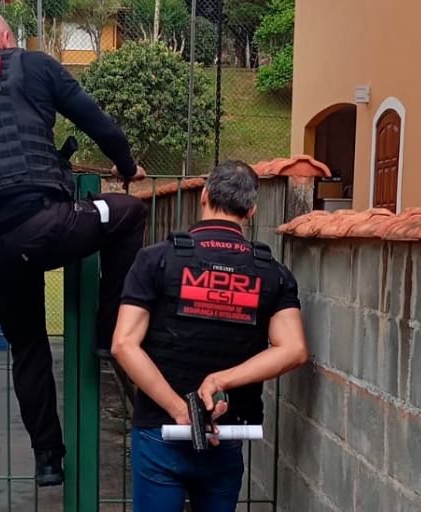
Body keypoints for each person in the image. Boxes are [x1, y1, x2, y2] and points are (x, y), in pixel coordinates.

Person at [0, 9, 147, 487]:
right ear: (6, 37)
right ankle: (107, 332)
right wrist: (126, 165)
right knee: (129, 213)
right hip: (46, 225)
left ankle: (47, 459)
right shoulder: (29, 64)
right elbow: (97, 122)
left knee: (28, 347)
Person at [111, 161, 309, 511]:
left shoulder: (156, 259)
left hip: (161, 432)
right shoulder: (273, 273)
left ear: (203, 196)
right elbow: (293, 349)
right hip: (226, 432)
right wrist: (221, 380)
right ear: (251, 210)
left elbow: (124, 344)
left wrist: (179, 410)